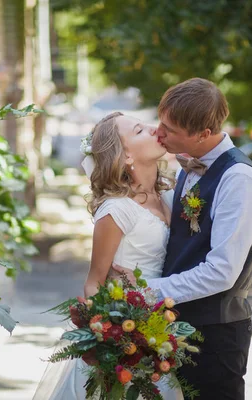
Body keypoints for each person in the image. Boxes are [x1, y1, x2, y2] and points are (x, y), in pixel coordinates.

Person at [113, 78, 252, 399]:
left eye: (169, 129)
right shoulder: (187, 165)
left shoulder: (239, 179)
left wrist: (146, 290)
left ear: (204, 135)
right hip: (173, 326)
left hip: (215, 337)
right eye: (160, 122)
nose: (159, 132)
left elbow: (221, 272)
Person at [32, 111, 182, 400]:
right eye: (140, 130)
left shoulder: (168, 195)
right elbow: (94, 283)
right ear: (125, 155)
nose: (155, 129)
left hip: (160, 333)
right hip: (127, 343)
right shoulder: (117, 210)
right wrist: (113, 343)